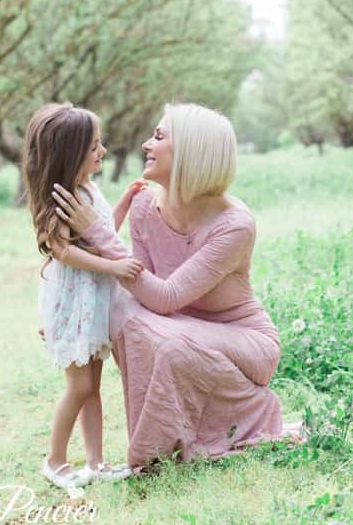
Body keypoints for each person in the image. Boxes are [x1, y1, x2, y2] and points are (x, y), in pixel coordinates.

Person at [52, 102, 302, 471]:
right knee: (122, 308)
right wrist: (63, 315)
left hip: (241, 339)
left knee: (163, 339)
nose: (145, 146)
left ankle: (156, 454)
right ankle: (173, 438)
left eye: (158, 136)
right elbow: (138, 288)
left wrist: (98, 232)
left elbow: (165, 297)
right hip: (170, 326)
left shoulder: (234, 224)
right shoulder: (142, 206)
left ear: (190, 151)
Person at [21, 102, 146, 491]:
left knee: (93, 386)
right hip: (74, 303)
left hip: (91, 302)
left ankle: (97, 462)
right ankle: (55, 460)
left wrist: (122, 205)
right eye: (94, 146)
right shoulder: (61, 196)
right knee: (78, 387)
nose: (102, 151)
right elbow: (62, 250)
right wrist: (114, 269)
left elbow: (98, 236)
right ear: (71, 152)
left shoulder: (89, 190)